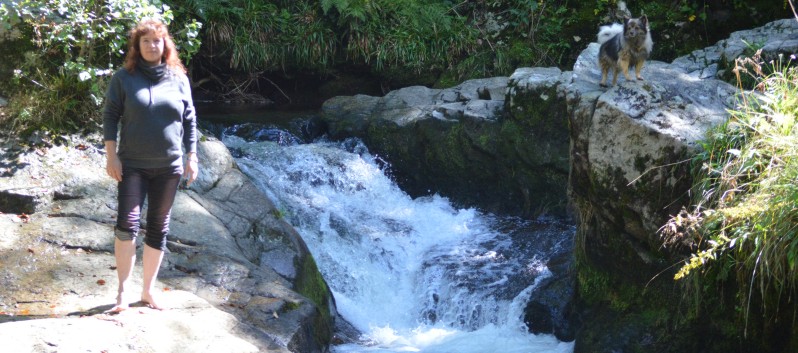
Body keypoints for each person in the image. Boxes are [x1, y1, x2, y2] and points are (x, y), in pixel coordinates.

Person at [102, 18, 198, 311]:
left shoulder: (178, 77)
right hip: (132, 165)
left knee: (159, 227)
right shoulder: (124, 78)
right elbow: (110, 116)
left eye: (157, 40)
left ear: (164, 44)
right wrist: (111, 156)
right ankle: (121, 292)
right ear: (137, 45)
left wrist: (192, 156)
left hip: (168, 166)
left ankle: (147, 292)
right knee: (127, 225)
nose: (152, 45)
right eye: (146, 41)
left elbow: (190, 119)